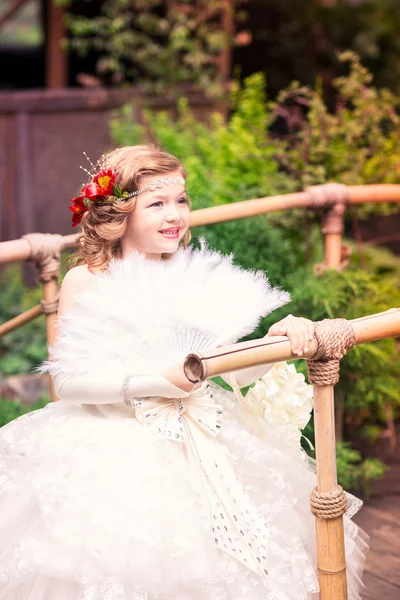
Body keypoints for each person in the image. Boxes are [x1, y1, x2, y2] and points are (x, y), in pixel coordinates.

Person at [0, 145, 367, 599]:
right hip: (115, 445)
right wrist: (158, 382)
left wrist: (274, 345)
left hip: (201, 431)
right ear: (121, 212)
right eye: (157, 204)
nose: (175, 214)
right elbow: (70, 383)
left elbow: (223, 370)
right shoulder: (88, 280)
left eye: (182, 200)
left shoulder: (185, 274)